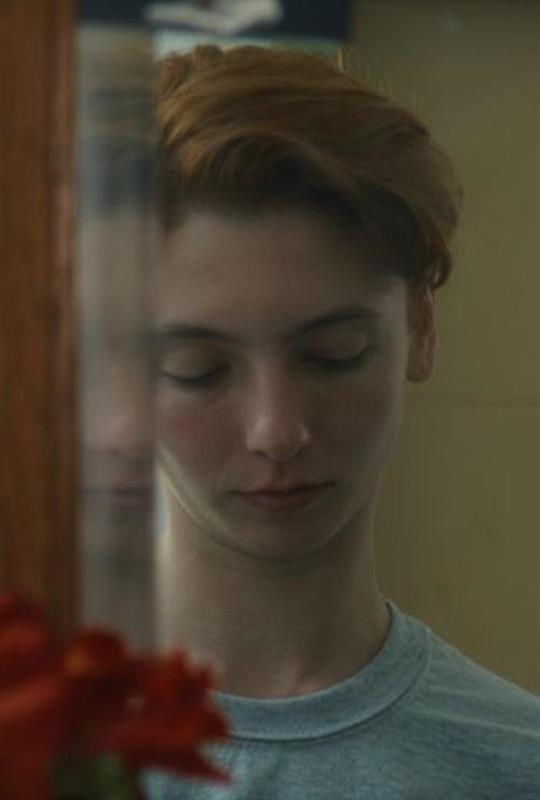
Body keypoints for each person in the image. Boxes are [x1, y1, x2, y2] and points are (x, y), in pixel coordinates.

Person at [142, 45, 540, 799]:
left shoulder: (516, 768)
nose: (276, 431)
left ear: (421, 327)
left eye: (333, 355)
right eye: (198, 369)